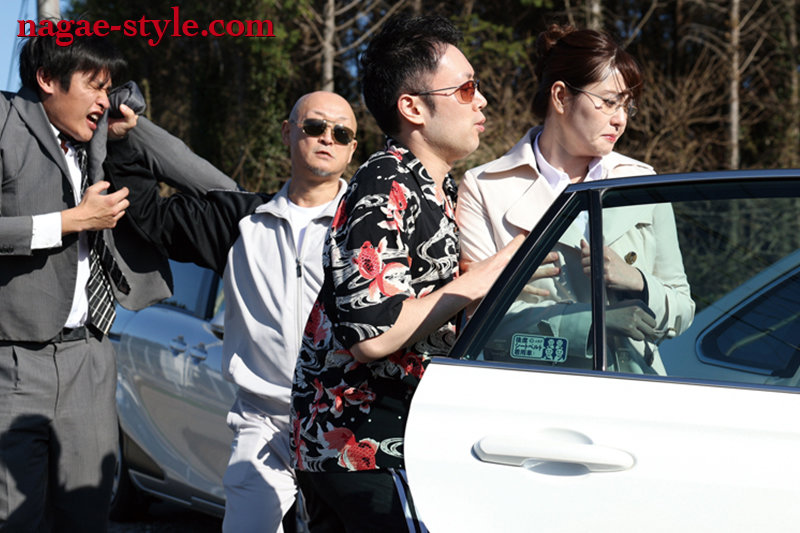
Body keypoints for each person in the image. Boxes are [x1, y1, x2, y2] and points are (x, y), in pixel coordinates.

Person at [289, 15, 523, 532]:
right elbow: (373, 335)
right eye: (466, 89)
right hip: (360, 443)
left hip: (394, 441)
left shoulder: (440, 189)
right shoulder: (384, 180)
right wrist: (481, 278)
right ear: (412, 107)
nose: (482, 101)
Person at [0, 34, 234, 532]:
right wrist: (70, 222)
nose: (105, 100)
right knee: (13, 519)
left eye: (109, 88)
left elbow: (218, 190)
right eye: (95, 86)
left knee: (87, 516)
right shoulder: (4, 121)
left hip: (91, 358)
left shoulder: (100, 141)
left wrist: (136, 129)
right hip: (12, 362)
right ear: (47, 79)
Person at [106, 91, 358, 532]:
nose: (327, 138)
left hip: (347, 419)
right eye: (315, 127)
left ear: (352, 149)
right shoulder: (241, 221)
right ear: (288, 132)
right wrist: (123, 143)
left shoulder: (369, 227)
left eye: (341, 133)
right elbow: (148, 217)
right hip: (264, 422)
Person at [457, 24, 694, 373]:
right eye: (609, 102)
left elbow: (684, 309)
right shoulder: (485, 187)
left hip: (635, 385)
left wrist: (636, 280)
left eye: (627, 106)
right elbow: (480, 325)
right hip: (532, 386)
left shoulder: (642, 182)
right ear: (560, 97)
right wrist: (592, 322)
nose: (620, 120)